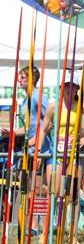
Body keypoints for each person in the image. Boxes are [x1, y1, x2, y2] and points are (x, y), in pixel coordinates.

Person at [38, 71, 84, 230]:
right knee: (54, 192)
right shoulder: (53, 107)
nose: (69, 88)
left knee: (73, 195)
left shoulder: (82, 106)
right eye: (66, 85)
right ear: (61, 87)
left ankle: (72, 233)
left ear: (77, 89)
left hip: (74, 155)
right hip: (56, 155)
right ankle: (46, 233)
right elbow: (43, 130)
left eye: (73, 86)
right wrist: (39, 152)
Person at [2, 66, 53, 234]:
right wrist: (12, 133)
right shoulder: (25, 101)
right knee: (32, 188)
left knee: (40, 189)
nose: (19, 80)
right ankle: (35, 227)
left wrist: (35, 141)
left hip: (42, 150)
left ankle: (65, 193)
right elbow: (27, 129)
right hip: (30, 152)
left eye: (22, 77)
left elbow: (50, 123)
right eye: (19, 77)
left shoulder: (39, 97)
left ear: (32, 79)